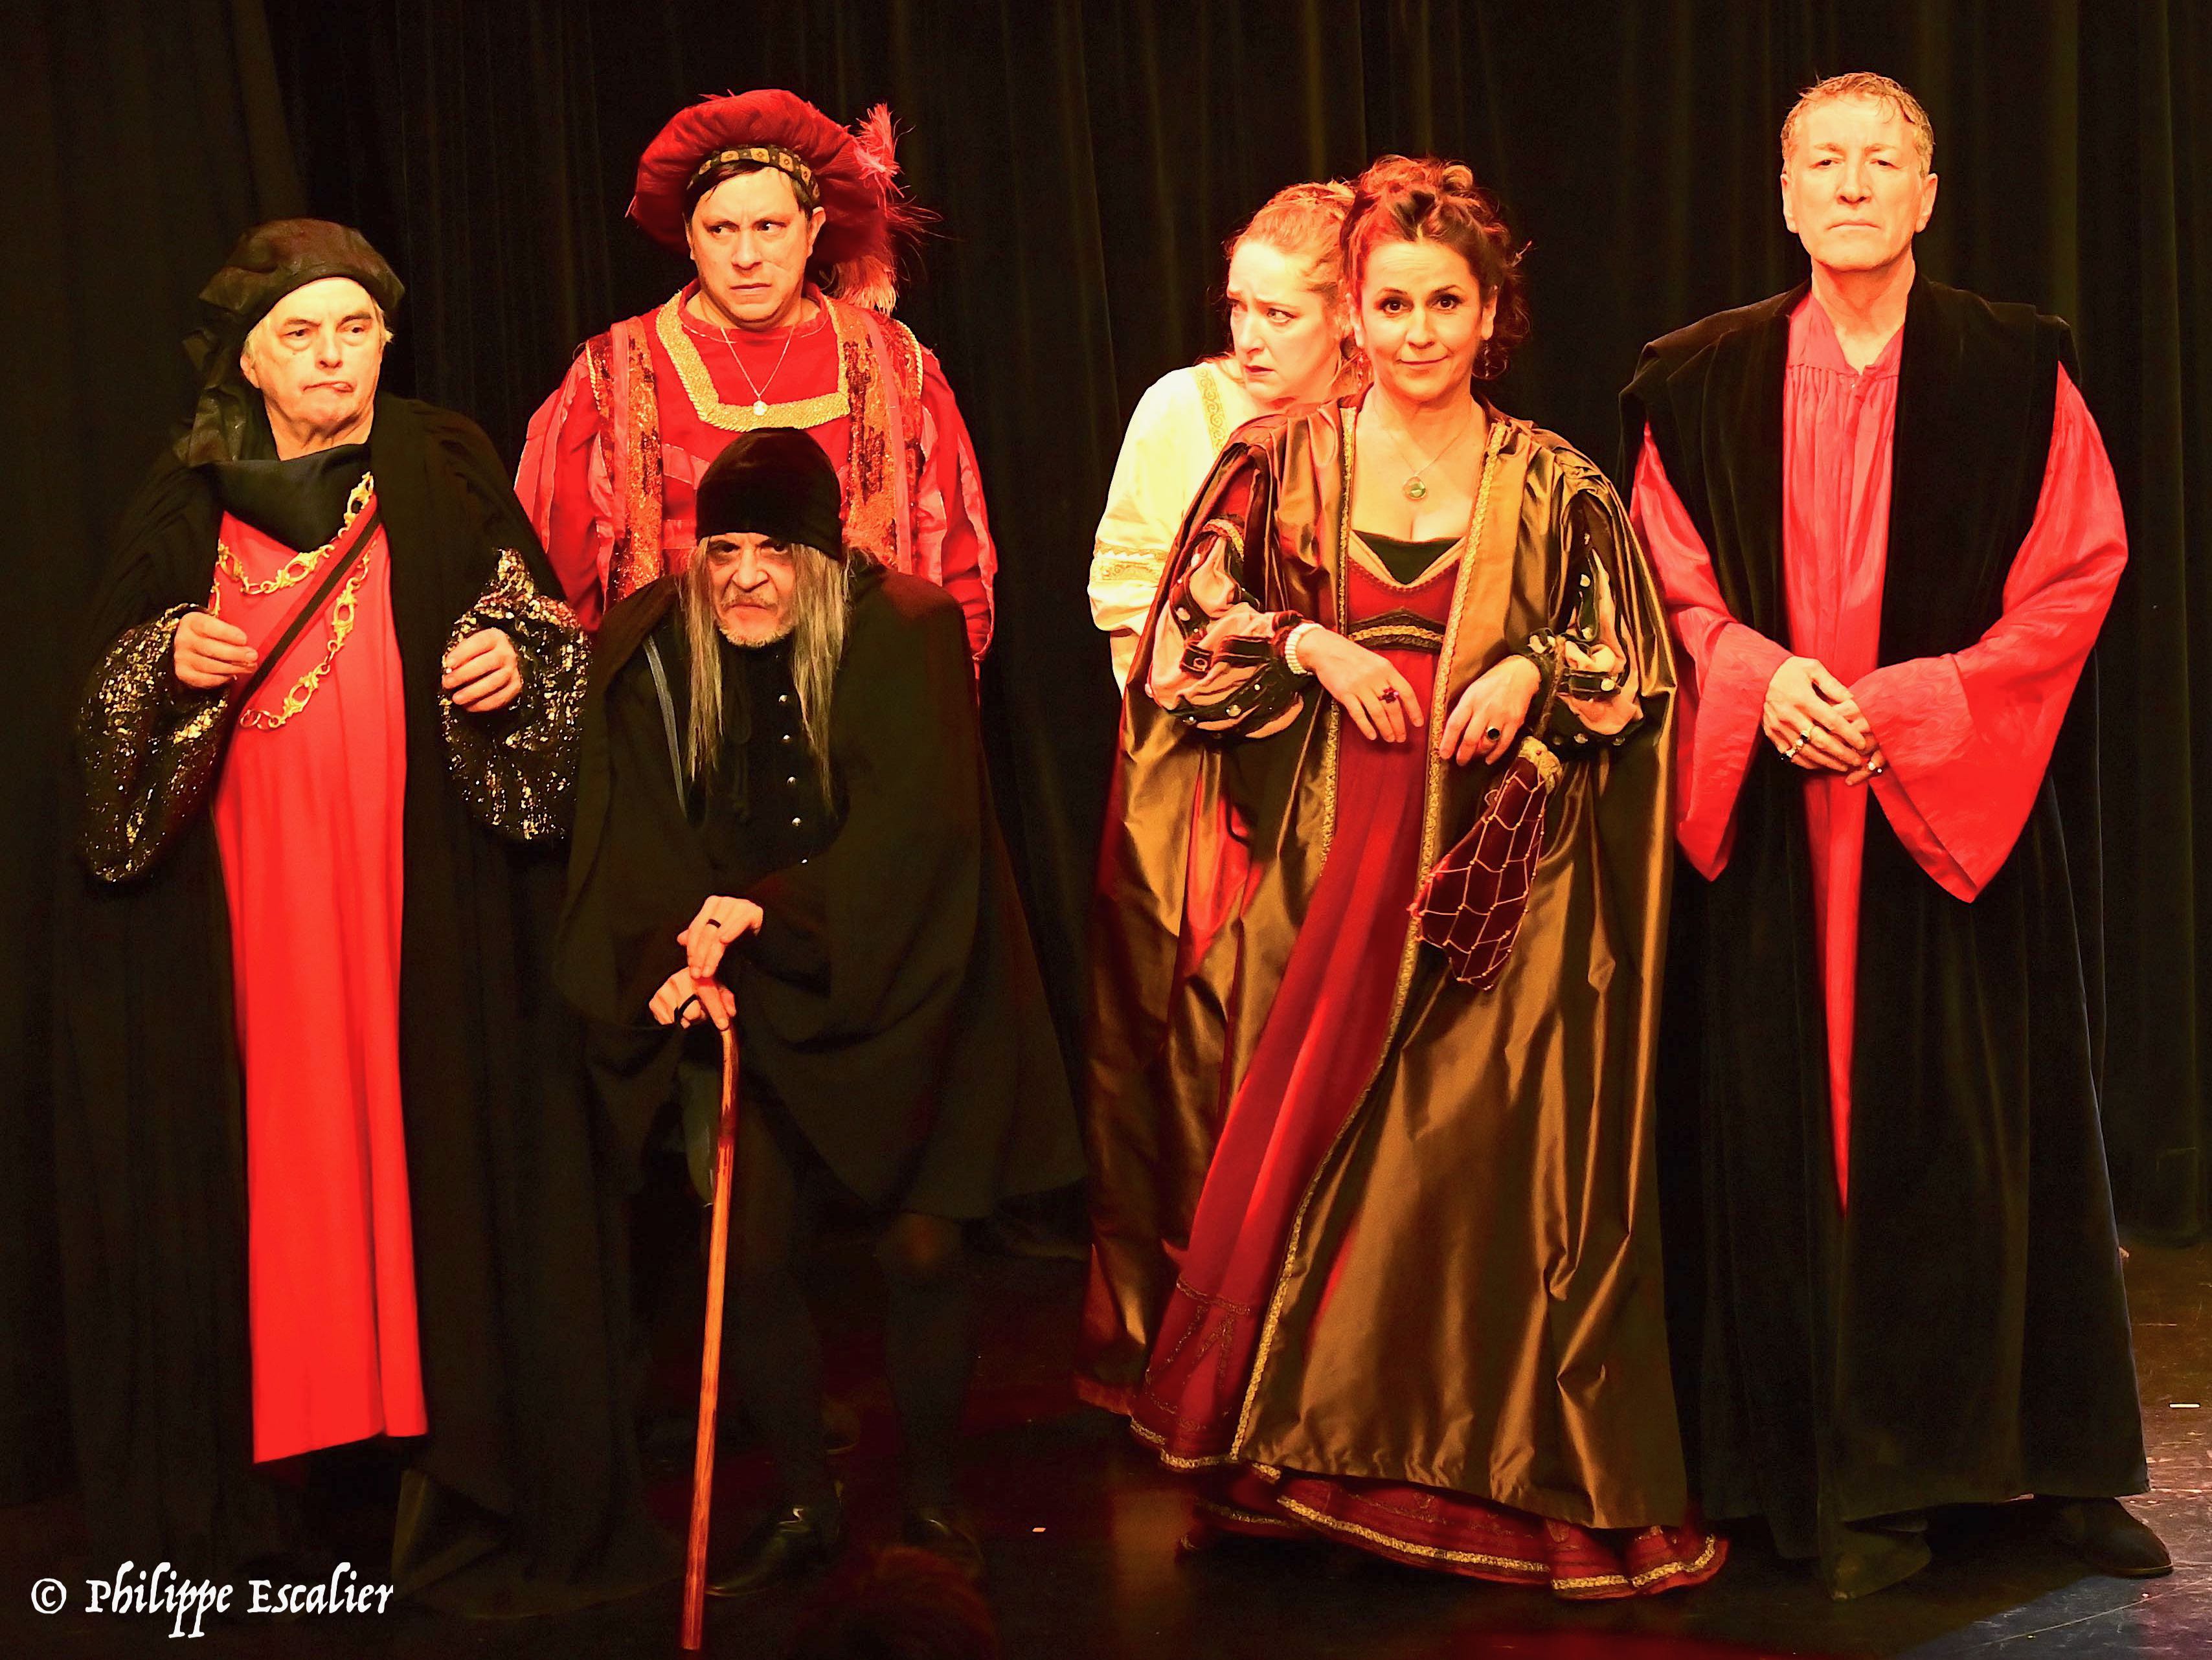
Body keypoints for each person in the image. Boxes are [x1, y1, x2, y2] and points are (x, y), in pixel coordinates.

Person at [1079, 156, 1721, 1597]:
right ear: (1353, 316)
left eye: (1444, 303)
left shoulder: (1552, 480)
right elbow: (1189, 623)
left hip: (1493, 877)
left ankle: (1467, 1466)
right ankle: (1294, 1457)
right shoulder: (1280, 460)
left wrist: (1530, 670)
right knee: (1313, 1142)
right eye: (1391, 304)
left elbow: (1630, 662)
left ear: (1491, 314)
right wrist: (1311, 643)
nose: (1417, 330)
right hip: (1325, 860)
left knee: (1469, 1167)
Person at [60, 219, 664, 1608]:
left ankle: (437, 1453)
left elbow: (540, 631)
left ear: (387, 340)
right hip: (250, 902)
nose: (332, 358)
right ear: (248, 356)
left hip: (414, 896)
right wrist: (166, 660)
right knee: (286, 1149)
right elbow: (95, 722)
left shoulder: (440, 465)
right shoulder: (185, 496)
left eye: (355, 331)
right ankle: (285, 1465)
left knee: (409, 1138)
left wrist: (511, 659)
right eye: (301, 334)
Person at [1622, 73, 2164, 1597]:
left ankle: (2038, 1460)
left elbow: (2077, 572)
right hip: (1777, 817)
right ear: (1785, 195)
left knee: (1988, 1139)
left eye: (1882, 161)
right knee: (1777, 1135)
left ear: (1927, 193)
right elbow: (1663, 584)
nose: (1852, 184)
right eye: (1823, 160)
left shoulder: (2014, 366)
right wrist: (1755, 676)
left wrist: (1921, 705)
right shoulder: (1695, 378)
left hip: (1948, 818)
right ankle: (1801, 1467)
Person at [556, 429, 1082, 1593]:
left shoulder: (904, 631)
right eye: (724, 550)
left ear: (822, 555)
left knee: (923, 1248)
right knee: (747, 1257)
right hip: (757, 990)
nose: (746, 577)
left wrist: (769, 908)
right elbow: (636, 825)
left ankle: (933, 1500)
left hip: (911, 971)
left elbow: (921, 829)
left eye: (775, 552)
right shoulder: (658, 644)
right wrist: (678, 946)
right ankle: (804, 1498)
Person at [517, 89, 996, 659]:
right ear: (689, 235)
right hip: (673, 702)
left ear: (813, 229)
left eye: (769, 226)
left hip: (861, 697)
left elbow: (956, 585)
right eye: (721, 229)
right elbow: (553, 594)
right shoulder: (612, 376)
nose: (746, 256)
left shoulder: (895, 366)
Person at [1089, 181, 1359, 688]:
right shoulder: (1181, 407)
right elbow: (1130, 601)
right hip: (1216, 714)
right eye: (1239, 307)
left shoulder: (1376, 417)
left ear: (1344, 313)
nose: (1248, 338)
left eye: (1278, 315)